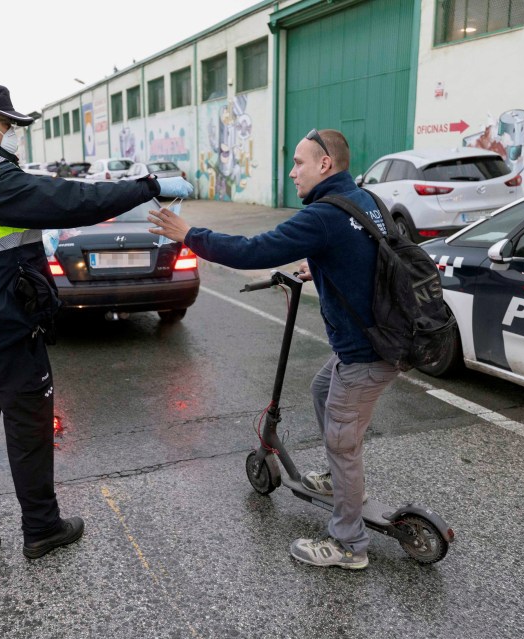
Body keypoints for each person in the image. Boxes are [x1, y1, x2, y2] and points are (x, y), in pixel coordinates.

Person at [0, 78, 193, 563]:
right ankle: (42, 527)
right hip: (9, 329)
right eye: (6, 124)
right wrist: (147, 187)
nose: (11, 134)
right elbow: (75, 199)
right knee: (31, 428)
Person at [148, 128, 398, 570]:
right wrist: (320, 262)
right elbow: (366, 251)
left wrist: (190, 233)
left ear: (325, 165)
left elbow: (252, 250)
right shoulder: (366, 201)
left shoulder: (323, 216)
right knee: (323, 390)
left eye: (299, 162)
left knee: (343, 445)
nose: (291, 170)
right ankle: (335, 482)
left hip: (365, 354)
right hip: (379, 339)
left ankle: (349, 545)